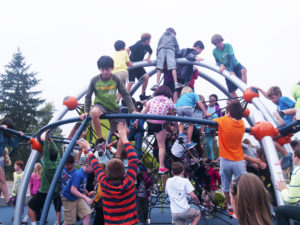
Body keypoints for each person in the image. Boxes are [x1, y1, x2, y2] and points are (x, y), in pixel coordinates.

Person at [77, 122, 139, 225]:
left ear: (107, 173)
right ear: (124, 171)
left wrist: (88, 148)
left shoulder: (104, 183)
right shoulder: (129, 181)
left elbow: (96, 166)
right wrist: (124, 139)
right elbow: (134, 160)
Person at [80, 55, 136, 158]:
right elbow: (88, 96)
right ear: (99, 69)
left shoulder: (115, 79)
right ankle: (101, 141)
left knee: (126, 131)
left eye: (107, 69)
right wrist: (86, 110)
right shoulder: (94, 80)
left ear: (112, 68)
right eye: (103, 69)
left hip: (113, 108)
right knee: (94, 112)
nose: (105, 72)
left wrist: (132, 110)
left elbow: (125, 94)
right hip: (100, 105)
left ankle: (118, 156)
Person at [212, 101, 246, 214]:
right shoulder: (242, 124)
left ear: (229, 113)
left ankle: (231, 206)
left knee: (226, 187)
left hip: (225, 161)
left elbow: (210, 123)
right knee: (241, 186)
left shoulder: (223, 120)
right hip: (238, 161)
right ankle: (242, 206)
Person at [133, 85, 174, 174]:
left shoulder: (152, 99)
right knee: (161, 146)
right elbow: (173, 116)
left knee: (158, 137)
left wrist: (136, 121)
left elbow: (143, 112)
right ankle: (162, 167)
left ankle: (162, 166)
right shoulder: (169, 101)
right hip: (159, 125)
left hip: (150, 122)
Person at [27, 131, 60, 225]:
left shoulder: (47, 165)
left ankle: (34, 224)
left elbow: (45, 150)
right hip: (52, 192)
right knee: (39, 207)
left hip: (43, 192)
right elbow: (56, 154)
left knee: (30, 206)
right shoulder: (58, 164)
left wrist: (46, 137)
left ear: (47, 157)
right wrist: (51, 142)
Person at [211, 34, 247, 98]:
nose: (220, 44)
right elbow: (217, 61)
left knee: (243, 70)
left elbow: (231, 58)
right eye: (218, 43)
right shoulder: (214, 51)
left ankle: (245, 91)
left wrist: (231, 70)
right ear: (215, 44)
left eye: (220, 42)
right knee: (231, 90)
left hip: (235, 65)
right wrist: (221, 65)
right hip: (227, 70)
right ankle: (237, 105)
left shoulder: (228, 46)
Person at [62, 157, 94, 225]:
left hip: (76, 197)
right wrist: (86, 198)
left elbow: (80, 185)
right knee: (70, 223)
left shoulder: (86, 173)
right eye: (93, 167)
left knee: (87, 214)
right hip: (69, 198)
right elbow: (73, 190)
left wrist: (87, 193)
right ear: (87, 165)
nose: (94, 169)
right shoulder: (79, 174)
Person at [0, 117, 23, 205]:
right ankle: (7, 200)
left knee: (0, 183)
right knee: (2, 179)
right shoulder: (1, 132)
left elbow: (14, 145)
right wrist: (2, 129)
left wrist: (19, 136)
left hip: (1, 159)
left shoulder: (7, 136)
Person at [275, 145, 300, 225]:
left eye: (293, 155)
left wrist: (283, 190)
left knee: (280, 211)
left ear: (296, 158)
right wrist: (287, 187)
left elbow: (291, 198)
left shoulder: (297, 172)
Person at [127, 33, 152, 101]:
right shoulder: (138, 44)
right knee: (131, 82)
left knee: (146, 77)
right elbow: (128, 49)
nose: (150, 41)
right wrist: (128, 61)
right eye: (150, 40)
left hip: (139, 65)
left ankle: (142, 95)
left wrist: (148, 58)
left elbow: (150, 52)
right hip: (133, 65)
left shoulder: (147, 46)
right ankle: (125, 98)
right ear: (146, 40)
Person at [204, 94, 223, 160]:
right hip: (207, 127)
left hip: (214, 126)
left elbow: (220, 117)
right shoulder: (206, 107)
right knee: (208, 145)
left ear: (215, 101)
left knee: (214, 115)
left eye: (212, 100)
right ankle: (210, 159)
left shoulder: (217, 108)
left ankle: (213, 129)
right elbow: (203, 116)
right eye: (210, 100)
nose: (210, 101)